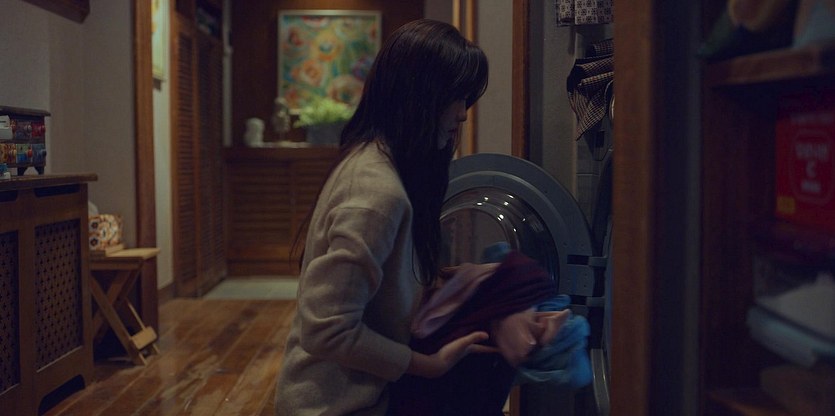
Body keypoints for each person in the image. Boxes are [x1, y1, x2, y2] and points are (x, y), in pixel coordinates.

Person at [274, 19, 490, 416]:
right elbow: (327, 330)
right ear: (419, 95)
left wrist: (447, 279)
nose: (462, 114)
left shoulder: (375, 161)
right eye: (456, 97)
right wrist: (430, 365)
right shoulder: (377, 193)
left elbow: (378, 288)